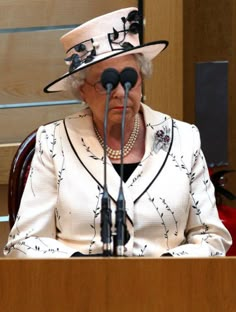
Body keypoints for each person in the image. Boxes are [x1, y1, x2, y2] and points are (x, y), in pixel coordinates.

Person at [4, 7, 232, 258]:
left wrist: (168, 269)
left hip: (167, 291)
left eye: (129, 80)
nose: (121, 93)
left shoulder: (184, 138)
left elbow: (212, 237)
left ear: (142, 79)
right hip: (76, 290)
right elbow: (25, 242)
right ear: (82, 91)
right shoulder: (54, 141)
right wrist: (79, 267)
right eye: (107, 83)